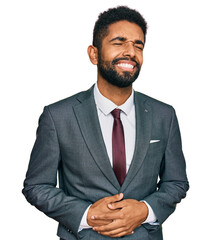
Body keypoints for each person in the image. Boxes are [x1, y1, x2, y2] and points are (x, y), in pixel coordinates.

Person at [22, 6, 189, 240]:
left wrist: (144, 210)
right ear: (94, 54)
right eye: (119, 42)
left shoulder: (164, 115)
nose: (130, 52)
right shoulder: (58, 116)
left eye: (138, 45)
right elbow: (36, 186)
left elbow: (176, 182)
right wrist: (86, 214)